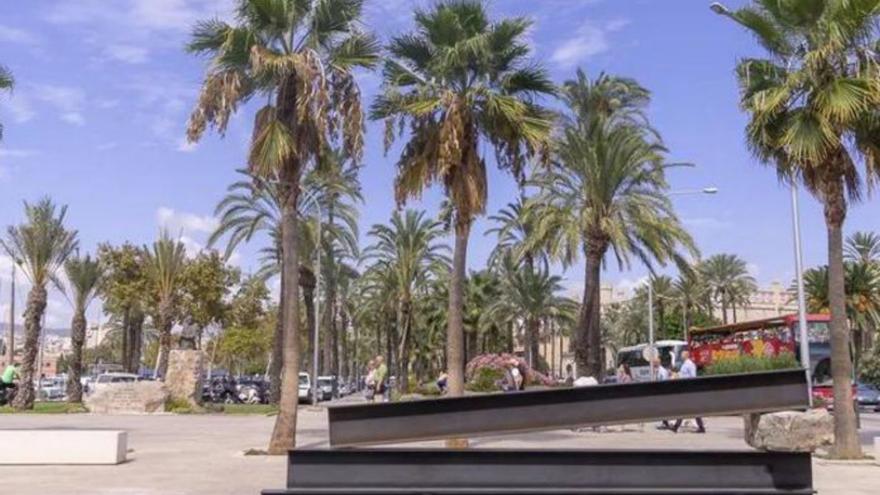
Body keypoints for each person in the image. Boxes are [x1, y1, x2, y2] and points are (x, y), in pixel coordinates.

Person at [671, 351, 705, 433]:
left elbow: (693, 376)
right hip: (685, 389)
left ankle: (676, 426)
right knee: (688, 409)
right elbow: (683, 375)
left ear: (686, 355)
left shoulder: (690, 364)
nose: (681, 355)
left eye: (682, 354)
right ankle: (700, 427)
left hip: (689, 389)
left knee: (687, 408)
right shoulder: (685, 364)